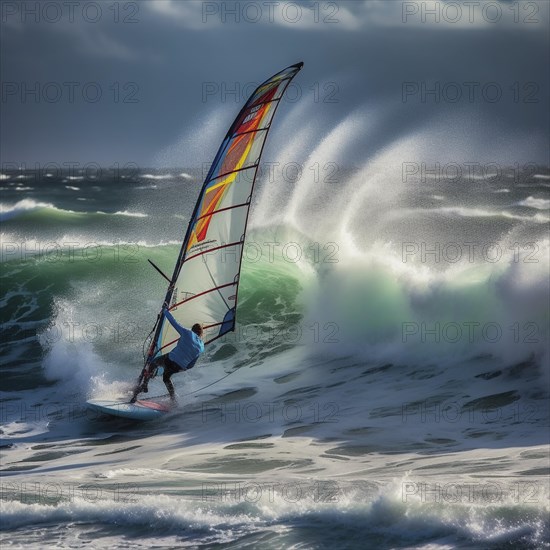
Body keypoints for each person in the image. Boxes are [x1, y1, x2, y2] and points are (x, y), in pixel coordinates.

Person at [131, 307, 204, 403]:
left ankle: (144, 385)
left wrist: (165, 310)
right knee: (166, 378)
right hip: (180, 367)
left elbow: (174, 323)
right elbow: (191, 365)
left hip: (171, 359)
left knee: (153, 363)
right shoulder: (202, 346)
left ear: (192, 329)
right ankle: (173, 399)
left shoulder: (188, 333)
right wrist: (182, 367)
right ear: (200, 334)